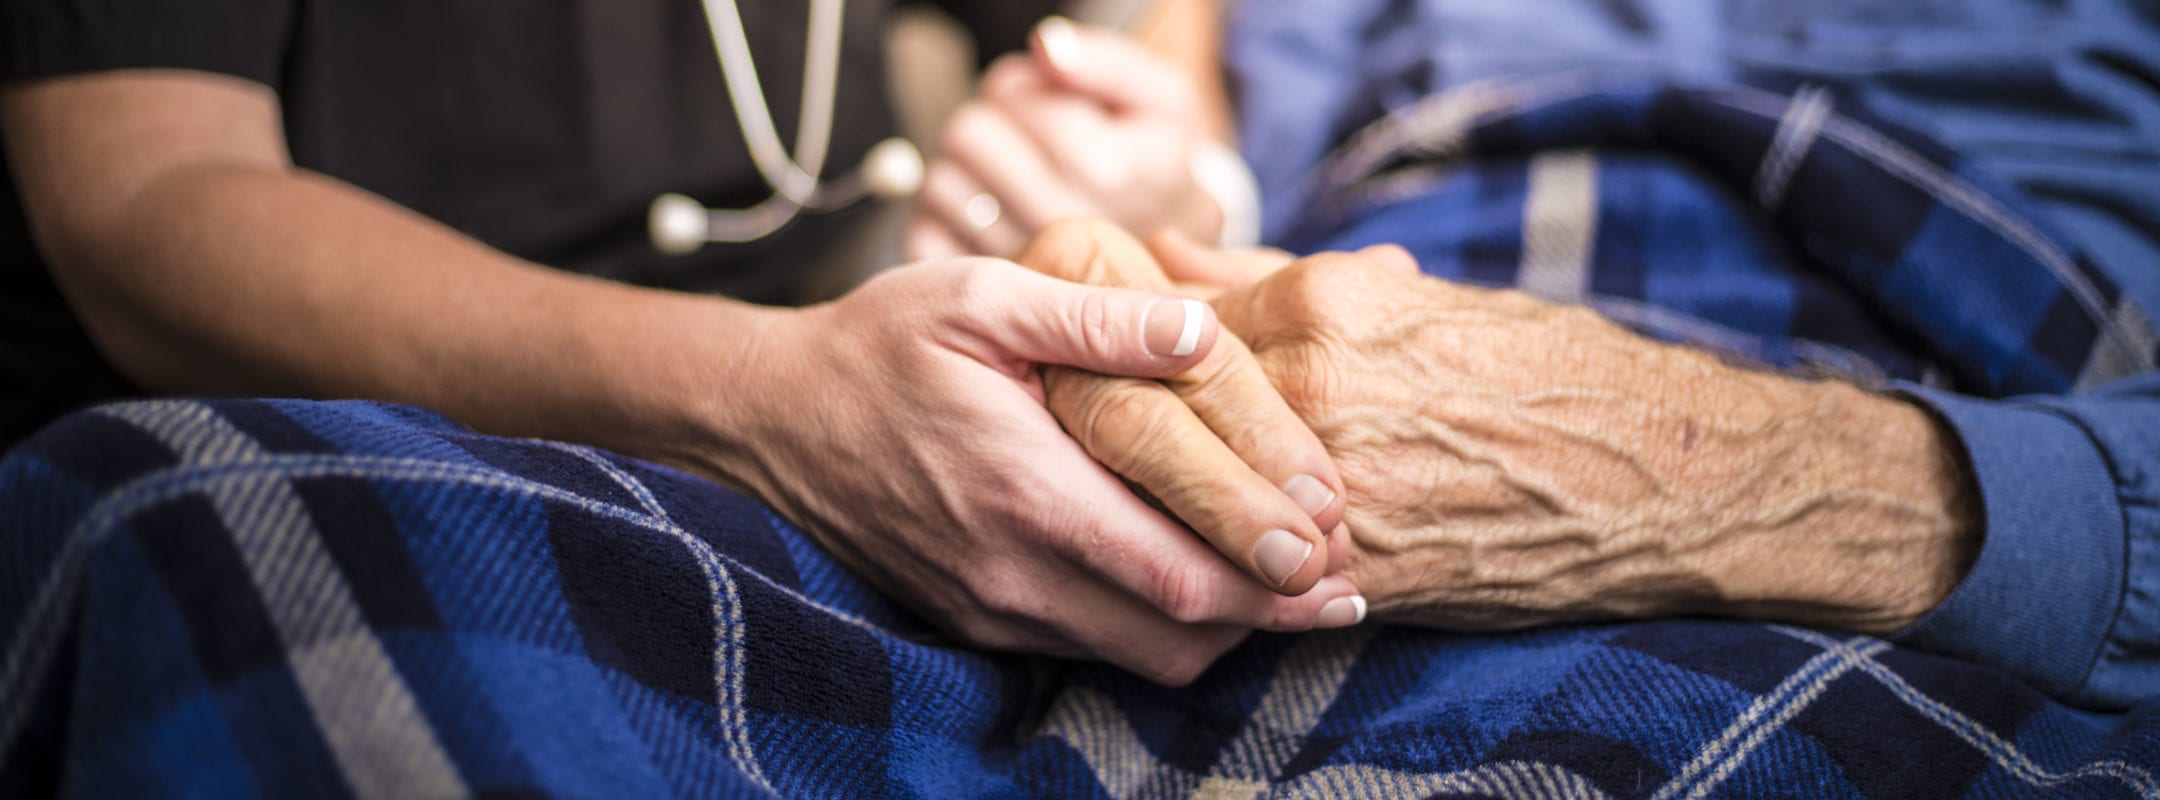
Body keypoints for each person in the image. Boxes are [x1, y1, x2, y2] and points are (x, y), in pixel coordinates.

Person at [0, 0, 1366, 687]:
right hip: (386, 445)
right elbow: (141, 199)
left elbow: (1146, 33)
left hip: (875, 379)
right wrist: (766, 399)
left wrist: (1176, 169)